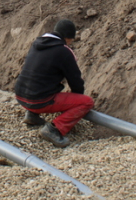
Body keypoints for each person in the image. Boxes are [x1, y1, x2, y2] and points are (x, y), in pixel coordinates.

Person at [13, 19, 94, 148]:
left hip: (20, 95)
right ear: (66, 37)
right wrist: (76, 100)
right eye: (71, 40)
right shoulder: (64, 52)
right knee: (87, 102)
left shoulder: (37, 43)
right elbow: (75, 81)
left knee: (42, 82)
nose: (70, 43)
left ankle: (32, 114)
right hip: (39, 101)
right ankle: (53, 130)